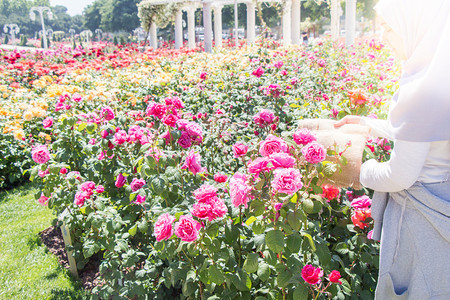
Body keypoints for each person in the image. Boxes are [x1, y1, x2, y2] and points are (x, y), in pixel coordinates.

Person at [335, 0, 450, 299]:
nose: (383, 36)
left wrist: (358, 169)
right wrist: (369, 124)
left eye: (389, 27)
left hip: (422, 221)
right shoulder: (440, 77)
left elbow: (400, 175)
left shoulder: (423, 90)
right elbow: (427, 134)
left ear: (415, 26)